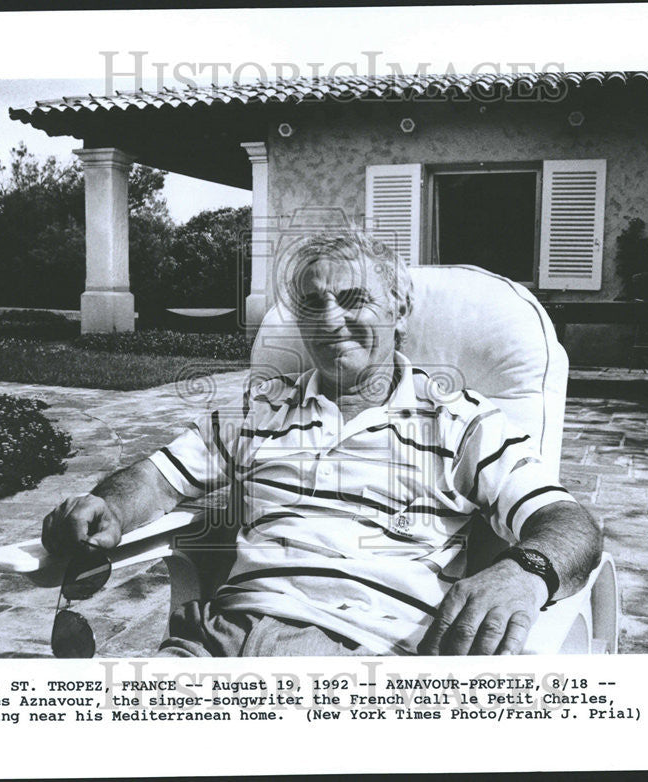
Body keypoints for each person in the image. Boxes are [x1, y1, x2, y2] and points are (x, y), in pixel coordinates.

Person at [42, 232, 602, 656]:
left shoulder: (460, 420)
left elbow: (568, 522)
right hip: (225, 638)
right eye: (313, 304)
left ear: (399, 309)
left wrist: (524, 571)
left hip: (371, 651)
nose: (331, 320)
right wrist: (108, 504)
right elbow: (157, 477)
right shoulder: (258, 408)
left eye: (354, 299)